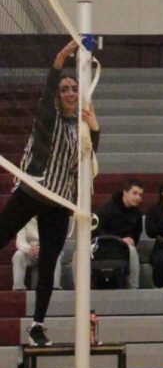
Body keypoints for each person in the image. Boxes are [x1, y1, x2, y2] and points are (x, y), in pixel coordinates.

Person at [0, 41, 98, 346]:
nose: (70, 92)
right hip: (34, 187)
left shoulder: (77, 127)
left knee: (50, 262)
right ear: (58, 94)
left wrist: (95, 128)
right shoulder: (48, 118)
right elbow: (46, 94)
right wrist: (59, 60)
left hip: (59, 200)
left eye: (74, 89)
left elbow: (89, 157)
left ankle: (37, 325)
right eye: (65, 88)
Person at [94, 179, 145, 288]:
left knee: (131, 250)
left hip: (123, 248)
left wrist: (131, 240)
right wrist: (117, 240)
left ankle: (133, 287)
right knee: (79, 253)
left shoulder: (137, 214)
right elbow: (95, 229)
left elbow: (136, 235)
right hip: (102, 245)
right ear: (125, 193)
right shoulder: (107, 209)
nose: (138, 198)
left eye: (140, 195)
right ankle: (80, 288)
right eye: (135, 193)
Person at [12, 218, 65, 291]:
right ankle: (18, 286)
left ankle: (54, 286)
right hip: (31, 251)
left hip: (48, 251)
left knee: (56, 254)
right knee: (18, 255)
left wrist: (44, 248)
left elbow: (57, 240)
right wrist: (29, 249)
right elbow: (20, 241)